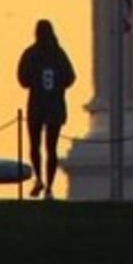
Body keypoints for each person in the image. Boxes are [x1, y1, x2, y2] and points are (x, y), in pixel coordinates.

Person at [15, 19, 77, 199]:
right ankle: (49, 186)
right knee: (52, 147)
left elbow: (22, 79)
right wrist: (58, 87)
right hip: (55, 106)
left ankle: (39, 179)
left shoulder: (31, 53)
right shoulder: (59, 54)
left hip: (36, 105)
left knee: (35, 146)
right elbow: (70, 77)